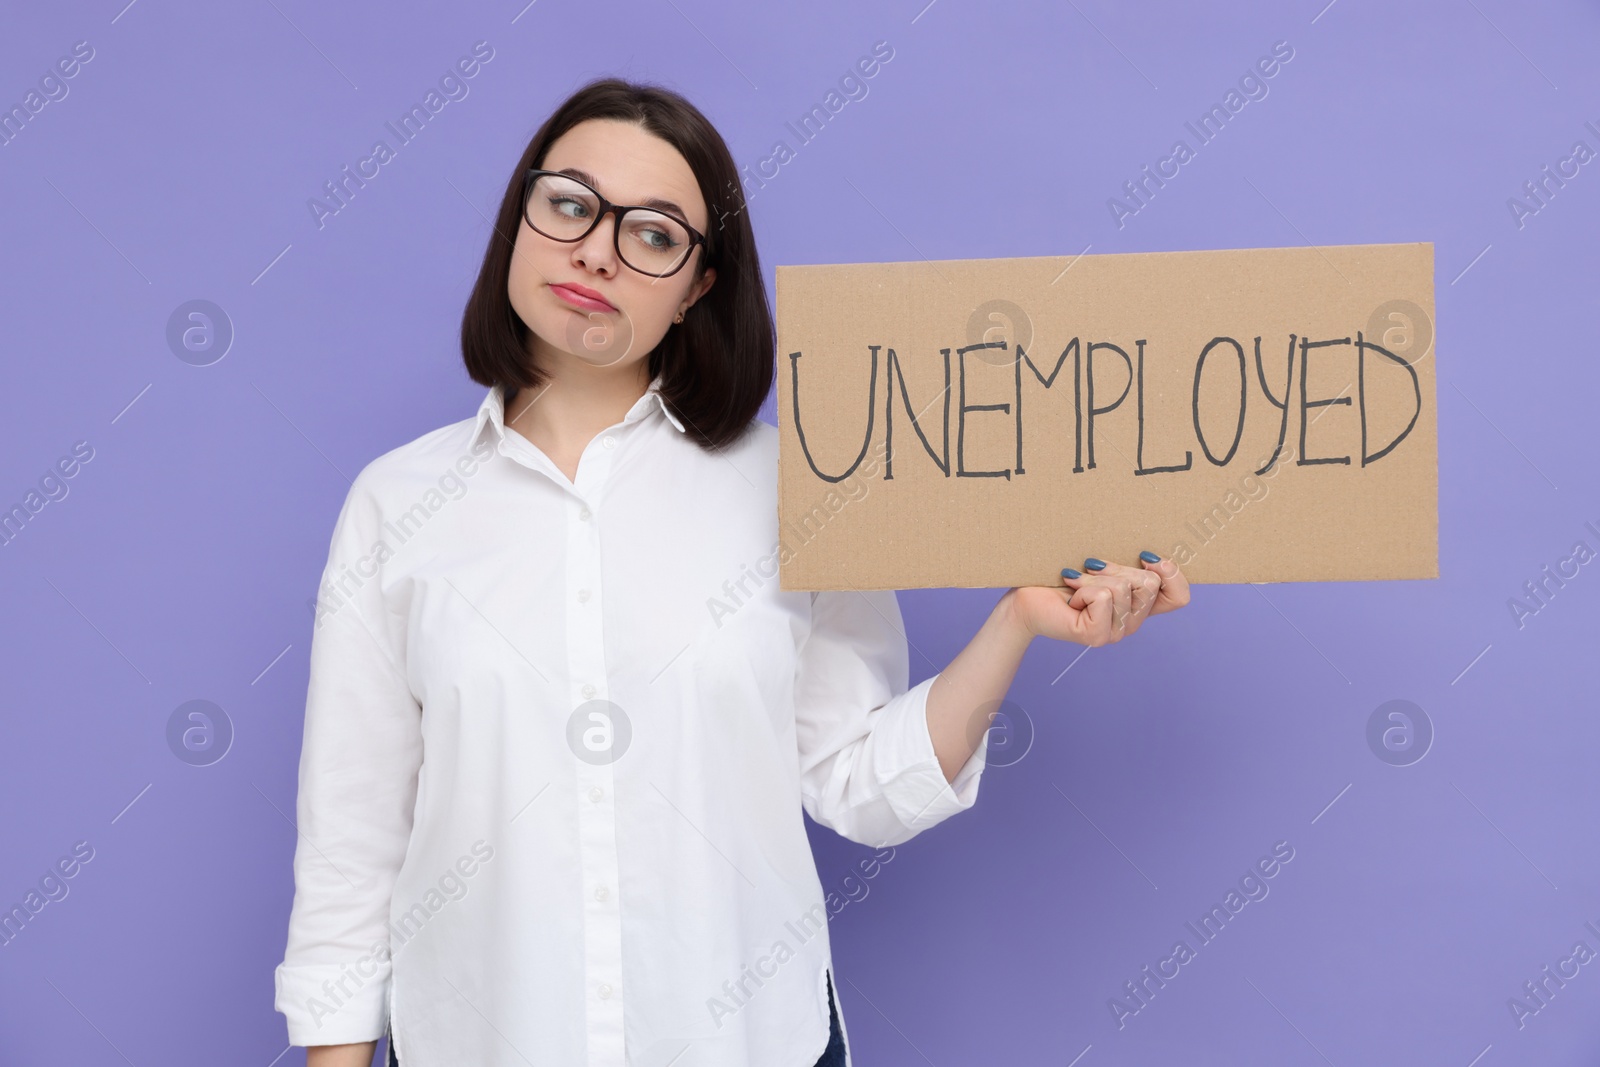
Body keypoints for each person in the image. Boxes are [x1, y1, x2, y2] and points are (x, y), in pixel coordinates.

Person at [274, 76, 1190, 1067]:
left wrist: (1013, 622)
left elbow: (856, 779)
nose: (596, 249)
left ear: (698, 282)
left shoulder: (802, 489)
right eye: (571, 203)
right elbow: (352, 834)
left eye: (655, 233)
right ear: (521, 215)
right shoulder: (396, 502)